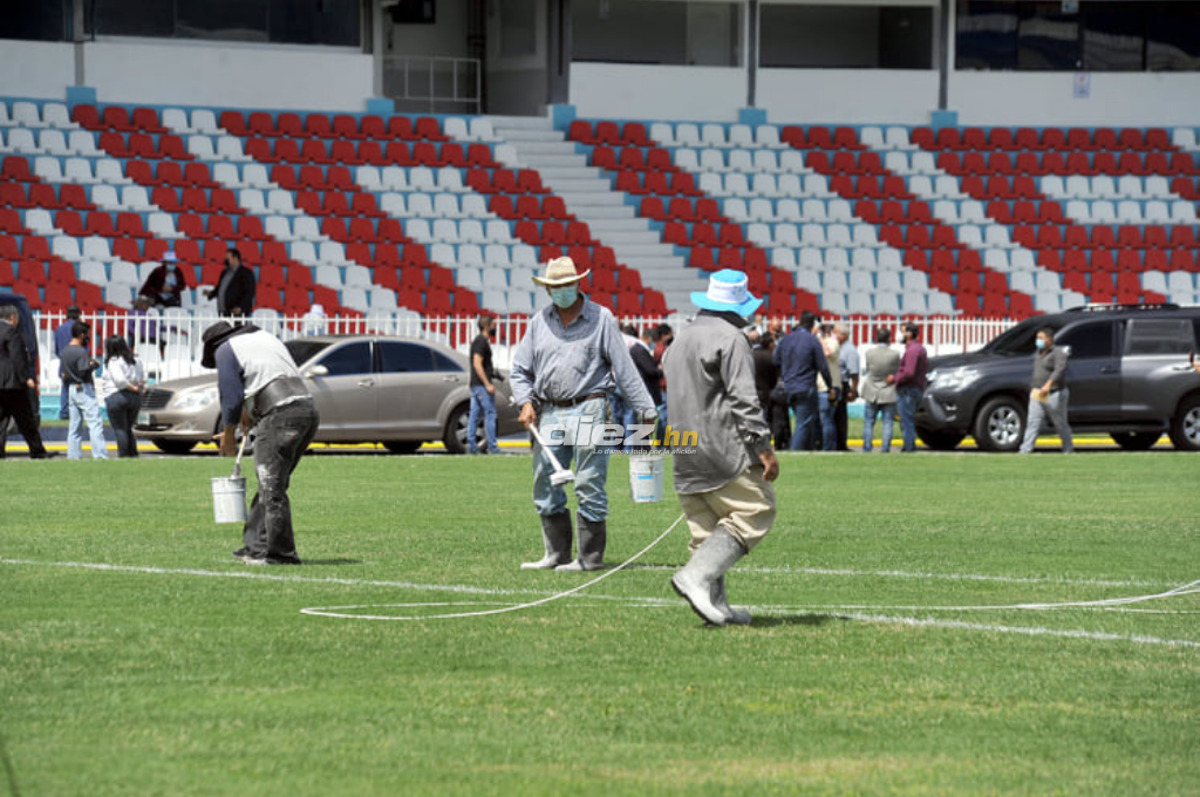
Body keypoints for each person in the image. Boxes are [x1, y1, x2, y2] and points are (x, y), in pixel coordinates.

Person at [510, 256, 656, 572]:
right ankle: (556, 554)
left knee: (589, 482)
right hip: (550, 410)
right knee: (544, 481)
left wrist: (645, 410)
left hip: (591, 407)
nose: (561, 290)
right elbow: (520, 370)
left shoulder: (602, 318)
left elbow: (624, 368)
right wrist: (525, 401)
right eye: (555, 286)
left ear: (578, 284)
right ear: (547, 290)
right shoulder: (538, 323)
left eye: (567, 284)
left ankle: (589, 558)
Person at [663, 269, 779, 626]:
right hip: (721, 446)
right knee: (756, 509)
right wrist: (764, 448)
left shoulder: (679, 339)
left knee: (706, 529)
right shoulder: (731, 338)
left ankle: (717, 608)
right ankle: (695, 577)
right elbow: (744, 399)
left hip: (683, 447)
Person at [202, 321, 319, 565]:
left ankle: (281, 555)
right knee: (271, 482)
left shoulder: (225, 349)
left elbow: (231, 396)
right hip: (306, 410)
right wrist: (251, 414)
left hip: (281, 414)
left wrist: (228, 435)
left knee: (271, 486)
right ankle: (255, 546)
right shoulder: (264, 338)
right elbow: (271, 378)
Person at [0, 304, 54, 459]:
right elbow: (17, 357)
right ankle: (37, 451)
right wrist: (26, 378)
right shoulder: (11, 332)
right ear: (13, 318)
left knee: (1, 420)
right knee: (26, 420)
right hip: (13, 385)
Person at [774, 310, 832, 451]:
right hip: (805, 386)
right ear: (812, 325)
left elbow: (775, 361)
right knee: (803, 422)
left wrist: (785, 374)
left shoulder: (786, 339)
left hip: (788, 386)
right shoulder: (812, 341)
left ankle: (807, 449)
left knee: (804, 421)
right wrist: (830, 386)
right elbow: (823, 366)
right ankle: (796, 452)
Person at [1019, 327, 1074, 454]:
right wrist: (1033, 387)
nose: (1038, 341)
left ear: (1049, 340)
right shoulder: (1038, 353)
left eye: (1041, 338)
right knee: (1033, 422)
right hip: (1038, 393)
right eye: (1037, 338)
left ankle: (1068, 449)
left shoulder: (1058, 353)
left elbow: (1059, 370)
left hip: (1054, 393)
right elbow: (1037, 372)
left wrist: (1048, 385)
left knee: (1059, 423)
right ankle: (1025, 450)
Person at [60, 321, 108, 460]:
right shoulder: (81, 351)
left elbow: (64, 373)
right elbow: (82, 371)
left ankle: (73, 455)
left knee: (74, 426)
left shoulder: (65, 351)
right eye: (87, 334)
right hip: (83, 388)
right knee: (95, 423)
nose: (88, 337)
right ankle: (100, 455)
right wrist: (93, 365)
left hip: (71, 389)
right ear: (81, 335)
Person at [98, 335, 145, 458]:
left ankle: (124, 454)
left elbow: (120, 381)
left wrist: (131, 387)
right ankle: (133, 453)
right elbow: (142, 378)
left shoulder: (113, 361)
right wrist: (136, 387)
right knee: (129, 428)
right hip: (134, 398)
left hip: (117, 395)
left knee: (120, 429)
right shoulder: (136, 360)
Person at [861, 327, 900, 453]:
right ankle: (885, 448)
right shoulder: (895, 354)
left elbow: (868, 368)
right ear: (889, 338)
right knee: (887, 422)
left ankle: (867, 447)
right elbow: (896, 370)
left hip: (871, 390)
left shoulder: (869, 353)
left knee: (869, 422)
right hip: (888, 391)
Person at [467, 314, 501, 455]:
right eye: (493, 326)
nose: (495, 328)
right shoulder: (481, 342)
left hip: (476, 384)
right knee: (490, 414)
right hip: (481, 385)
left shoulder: (478, 341)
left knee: (474, 415)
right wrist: (487, 383)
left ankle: (471, 446)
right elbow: (477, 363)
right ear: (487, 327)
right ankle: (493, 447)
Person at [893, 321, 929, 453]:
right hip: (914, 389)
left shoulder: (913, 350)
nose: (899, 334)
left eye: (902, 331)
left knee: (906, 420)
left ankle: (909, 447)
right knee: (908, 419)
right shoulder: (917, 348)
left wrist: (895, 378)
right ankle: (909, 445)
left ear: (909, 334)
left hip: (908, 390)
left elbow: (909, 372)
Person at [205, 248, 256, 318]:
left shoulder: (246, 273)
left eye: (228, 258)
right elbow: (220, 288)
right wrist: (211, 293)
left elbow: (249, 292)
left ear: (235, 259)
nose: (225, 260)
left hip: (237, 313)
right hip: (223, 312)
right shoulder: (224, 272)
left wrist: (240, 307)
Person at [815, 325, 842, 451]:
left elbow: (828, 353)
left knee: (826, 419)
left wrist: (820, 339)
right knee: (820, 420)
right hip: (818, 386)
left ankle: (828, 447)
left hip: (829, 387)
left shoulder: (832, 342)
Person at [834, 324, 859, 451]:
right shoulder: (836, 347)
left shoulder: (850, 350)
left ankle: (841, 444)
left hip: (842, 384)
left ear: (843, 335)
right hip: (834, 382)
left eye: (835, 333)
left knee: (840, 416)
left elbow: (854, 373)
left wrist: (852, 390)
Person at [54, 305, 81, 420]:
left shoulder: (59, 329)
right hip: (77, 360)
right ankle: (77, 411)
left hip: (64, 361)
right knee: (79, 387)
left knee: (65, 387)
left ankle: (64, 412)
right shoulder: (80, 328)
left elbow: (56, 349)